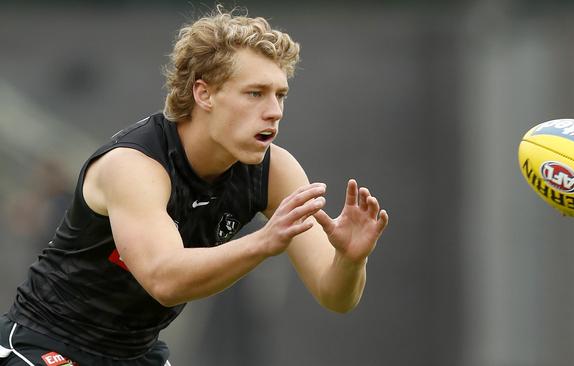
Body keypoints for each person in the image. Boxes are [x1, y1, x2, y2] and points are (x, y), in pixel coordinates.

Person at [0, 6, 388, 365]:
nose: (274, 111)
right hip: (45, 341)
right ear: (203, 93)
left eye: (280, 94)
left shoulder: (275, 171)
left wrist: (351, 260)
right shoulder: (135, 165)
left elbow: (335, 296)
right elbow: (164, 279)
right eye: (255, 93)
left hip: (136, 354)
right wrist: (263, 242)